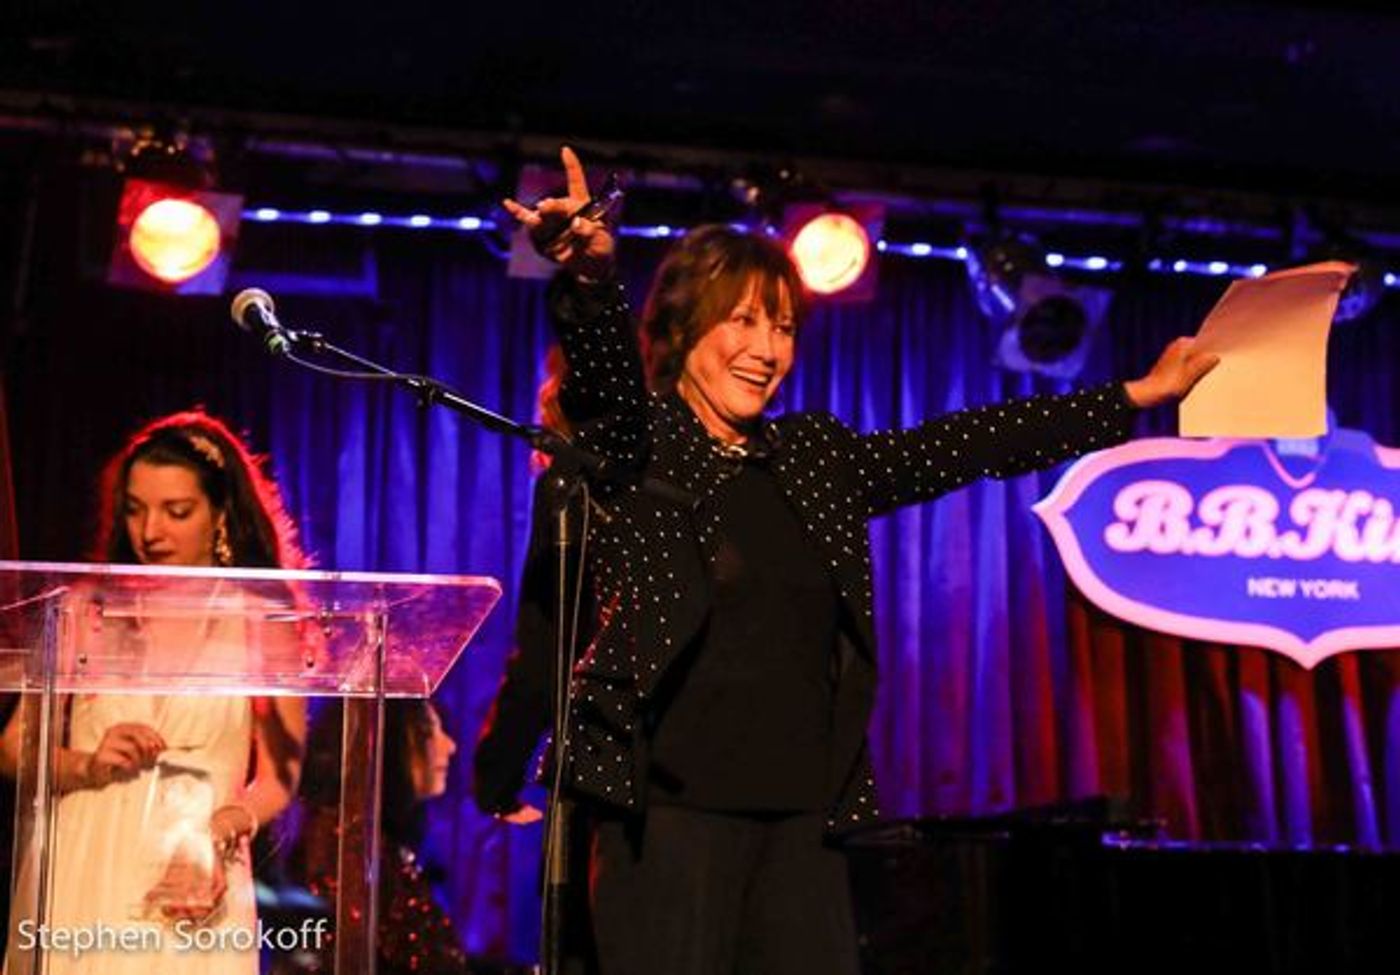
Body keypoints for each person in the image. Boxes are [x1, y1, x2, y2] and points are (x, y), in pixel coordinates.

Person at [477, 147, 1217, 975]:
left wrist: (1132, 398)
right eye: (744, 320)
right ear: (684, 329)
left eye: (784, 326)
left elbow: (970, 444)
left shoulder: (813, 458)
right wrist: (589, 276)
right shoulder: (638, 450)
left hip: (801, 821)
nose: (767, 347)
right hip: (666, 820)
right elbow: (550, 618)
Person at [0, 411, 309, 975]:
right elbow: (15, 746)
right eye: (136, 509)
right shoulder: (85, 610)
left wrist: (220, 830)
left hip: (195, 866)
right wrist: (88, 763)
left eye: (177, 511)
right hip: (89, 858)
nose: (150, 532)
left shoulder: (262, 620)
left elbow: (280, 777)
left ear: (219, 514)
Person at [288, 699, 470, 975]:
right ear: (388, 741)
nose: (450, 746)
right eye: (428, 731)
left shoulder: (378, 844)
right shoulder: (346, 850)